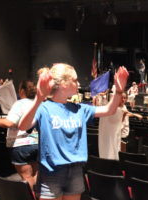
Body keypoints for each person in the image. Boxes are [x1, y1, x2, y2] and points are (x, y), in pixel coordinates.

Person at [18, 63, 128, 200]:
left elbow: (109, 110)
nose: (79, 83)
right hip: (51, 172)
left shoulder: (80, 109)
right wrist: (38, 98)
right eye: (75, 80)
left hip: (75, 171)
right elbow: (22, 126)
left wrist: (118, 91)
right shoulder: (43, 108)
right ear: (63, 83)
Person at [0, 80, 38, 192]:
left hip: (21, 146)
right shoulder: (38, 103)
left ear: (22, 91)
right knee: (35, 176)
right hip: (37, 144)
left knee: (27, 177)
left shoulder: (20, 103)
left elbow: (9, 123)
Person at [98, 92, 142, 160]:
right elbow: (119, 120)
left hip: (124, 131)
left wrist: (132, 114)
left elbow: (126, 113)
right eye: (122, 98)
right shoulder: (114, 108)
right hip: (117, 132)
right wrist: (132, 115)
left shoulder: (124, 107)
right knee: (117, 151)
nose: (123, 99)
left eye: (125, 98)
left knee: (120, 151)